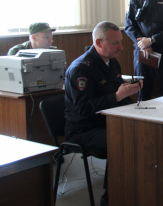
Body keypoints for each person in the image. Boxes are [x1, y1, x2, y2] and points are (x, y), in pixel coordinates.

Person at [64, 21, 143, 206]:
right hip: (83, 129)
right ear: (98, 43)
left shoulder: (111, 63)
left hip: (107, 121)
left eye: (120, 42)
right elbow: (83, 109)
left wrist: (133, 100)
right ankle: (112, 196)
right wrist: (117, 96)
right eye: (115, 43)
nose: (121, 47)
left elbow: (117, 94)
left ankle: (139, 188)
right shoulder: (81, 69)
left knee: (145, 131)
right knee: (124, 140)